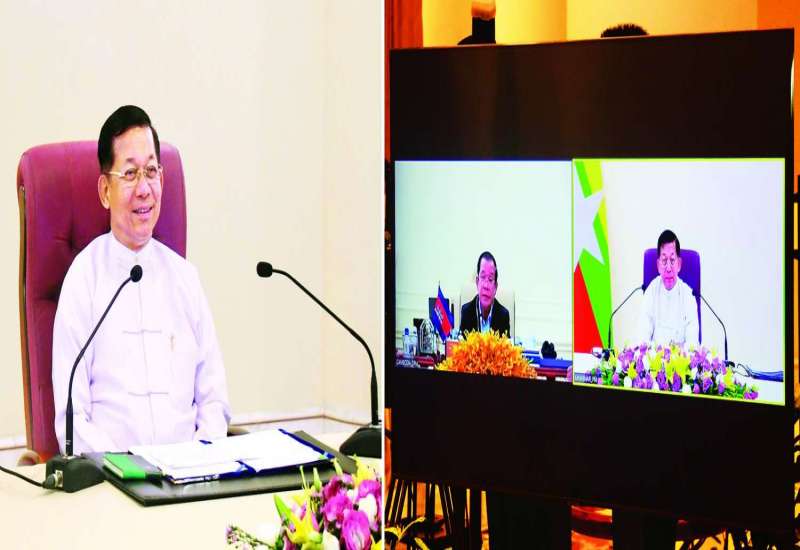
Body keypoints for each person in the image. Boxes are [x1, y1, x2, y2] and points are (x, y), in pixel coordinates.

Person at [52, 105, 230, 454]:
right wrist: (124, 469)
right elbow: (72, 421)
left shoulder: (184, 278)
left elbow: (214, 401)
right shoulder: (84, 279)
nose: (144, 188)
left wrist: (197, 460)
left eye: (151, 171)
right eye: (130, 174)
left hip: (189, 475)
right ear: (105, 190)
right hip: (110, 478)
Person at [638, 229, 699, 348]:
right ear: (658, 265)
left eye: (672, 260)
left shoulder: (688, 295)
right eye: (664, 261)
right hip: (654, 359)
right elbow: (642, 339)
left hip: (682, 360)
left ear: (679, 264)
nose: (669, 268)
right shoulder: (651, 292)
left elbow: (692, 344)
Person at [459, 251, 510, 337]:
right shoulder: (467, 312)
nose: (486, 286)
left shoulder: (503, 316)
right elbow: (463, 344)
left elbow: (506, 345)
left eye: (490, 279)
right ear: (477, 282)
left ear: (495, 287)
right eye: (482, 277)